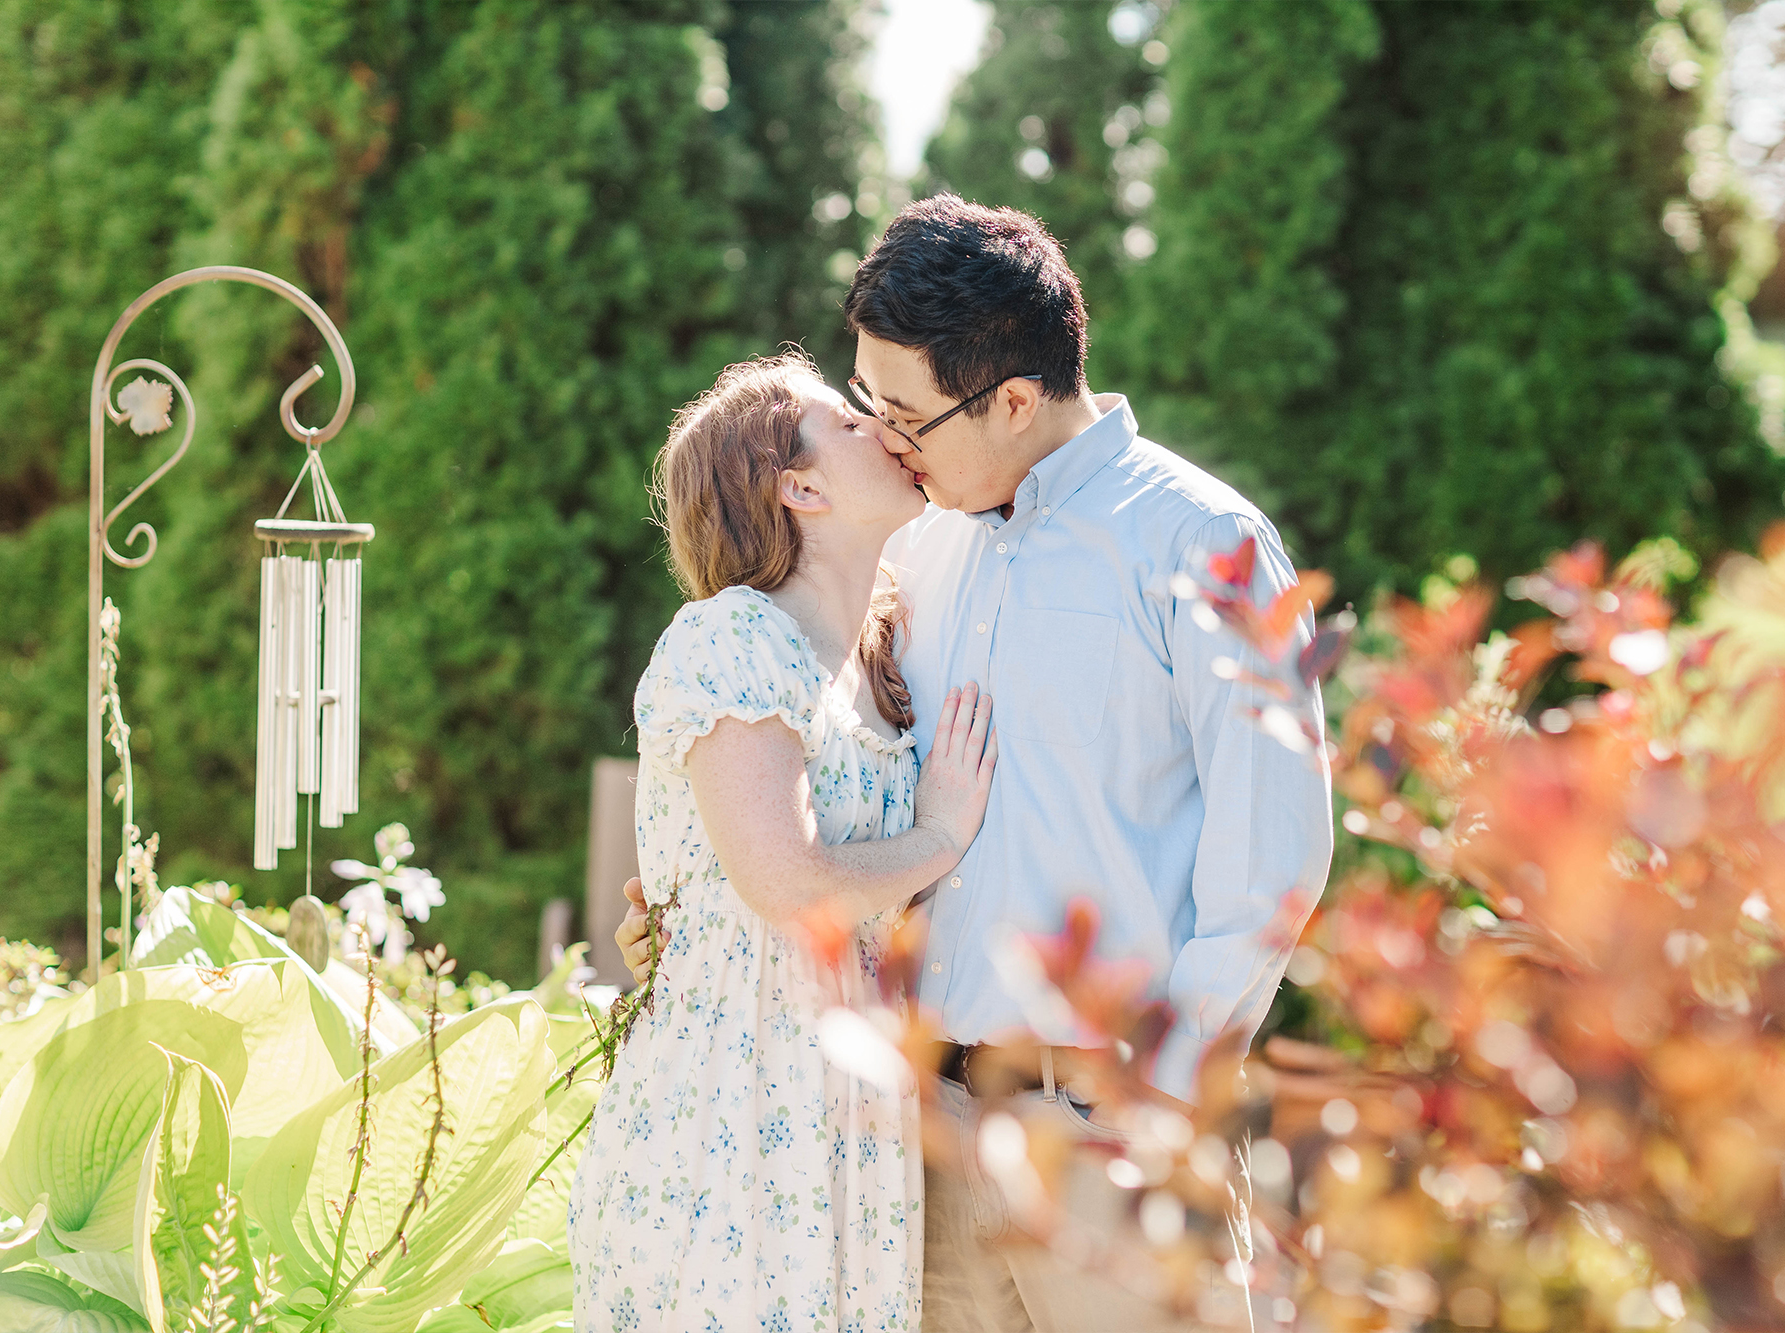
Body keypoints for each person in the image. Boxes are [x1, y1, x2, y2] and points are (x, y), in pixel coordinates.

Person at [619, 195, 1332, 1332]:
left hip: (1109, 1148)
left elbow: (1273, 863)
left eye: (904, 412)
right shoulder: (914, 548)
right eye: (867, 407)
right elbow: (817, 782)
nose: (887, 438)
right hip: (912, 1163)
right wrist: (698, 903)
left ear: (1010, 398)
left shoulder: (1207, 544)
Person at [568, 352, 999, 1333]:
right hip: (725, 1113)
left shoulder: (879, 662)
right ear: (797, 486)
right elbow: (785, 879)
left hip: (841, 1124)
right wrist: (939, 832)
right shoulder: (729, 638)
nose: (884, 428)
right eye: (848, 423)